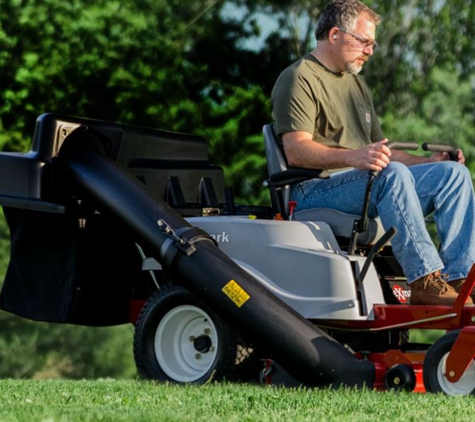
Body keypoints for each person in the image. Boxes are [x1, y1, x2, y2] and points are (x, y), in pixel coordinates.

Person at [271, 0, 475, 306]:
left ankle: (460, 280)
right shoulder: (300, 77)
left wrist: (429, 163)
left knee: (453, 175)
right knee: (390, 175)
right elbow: (296, 150)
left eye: (373, 44)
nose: (369, 51)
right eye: (364, 42)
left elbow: (382, 153)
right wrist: (353, 158)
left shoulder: (358, 86)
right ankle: (424, 280)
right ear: (336, 34)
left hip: (368, 183)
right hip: (313, 191)